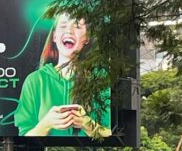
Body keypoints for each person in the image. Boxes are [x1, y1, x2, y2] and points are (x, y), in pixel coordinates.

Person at [13, 10, 111, 139]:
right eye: (63, 26)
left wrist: (86, 123)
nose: (69, 31)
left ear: (87, 38)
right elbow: (24, 136)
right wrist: (46, 124)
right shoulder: (35, 80)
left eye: (77, 26)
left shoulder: (100, 79)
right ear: (54, 36)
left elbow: (111, 134)